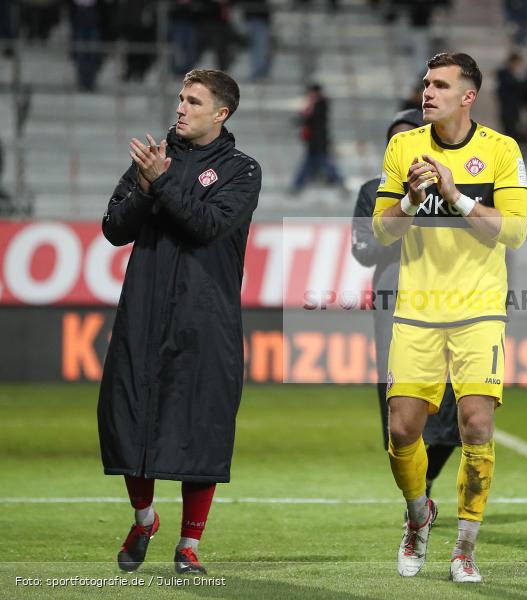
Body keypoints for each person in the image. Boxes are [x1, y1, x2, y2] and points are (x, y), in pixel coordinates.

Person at [372, 52, 527, 583]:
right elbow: (381, 231)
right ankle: (419, 515)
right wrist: (414, 198)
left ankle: (465, 547)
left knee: (477, 425)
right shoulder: (403, 147)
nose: (427, 92)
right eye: (425, 83)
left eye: (440, 85)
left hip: (479, 310)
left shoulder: (501, 151)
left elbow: (513, 232)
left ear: (468, 96)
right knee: (401, 430)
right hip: (417, 310)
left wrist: (454, 195)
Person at [98, 69, 260, 575]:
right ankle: (145, 519)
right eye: (180, 99)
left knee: (201, 426)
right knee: (128, 418)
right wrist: (146, 187)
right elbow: (113, 227)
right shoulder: (152, 159)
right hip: (142, 311)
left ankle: (188, 546)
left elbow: (205, 225)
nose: (181, 108)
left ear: (221, 113)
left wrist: (159, 181)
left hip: (205, 318)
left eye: (193, 101)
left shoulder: (242, 169)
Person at [351, 108, 460, 498]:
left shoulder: (453, 187)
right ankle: (415, 486)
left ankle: (425, 477)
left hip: (446, 298)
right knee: (397, 396)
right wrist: (407, 211)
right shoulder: (371, 192)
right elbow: (364, 249)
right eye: (393, 140)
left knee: (455, 401)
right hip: (394, 298)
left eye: (409, 138)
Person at [291, 83, 344, 193]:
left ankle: (297, 186)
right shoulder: (314, 104)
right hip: (314, 142)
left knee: (323, 164)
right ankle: (297, 186)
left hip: (319, 142)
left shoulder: (320, 104)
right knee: (311, 164)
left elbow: (311, 118)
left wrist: (300, 120)